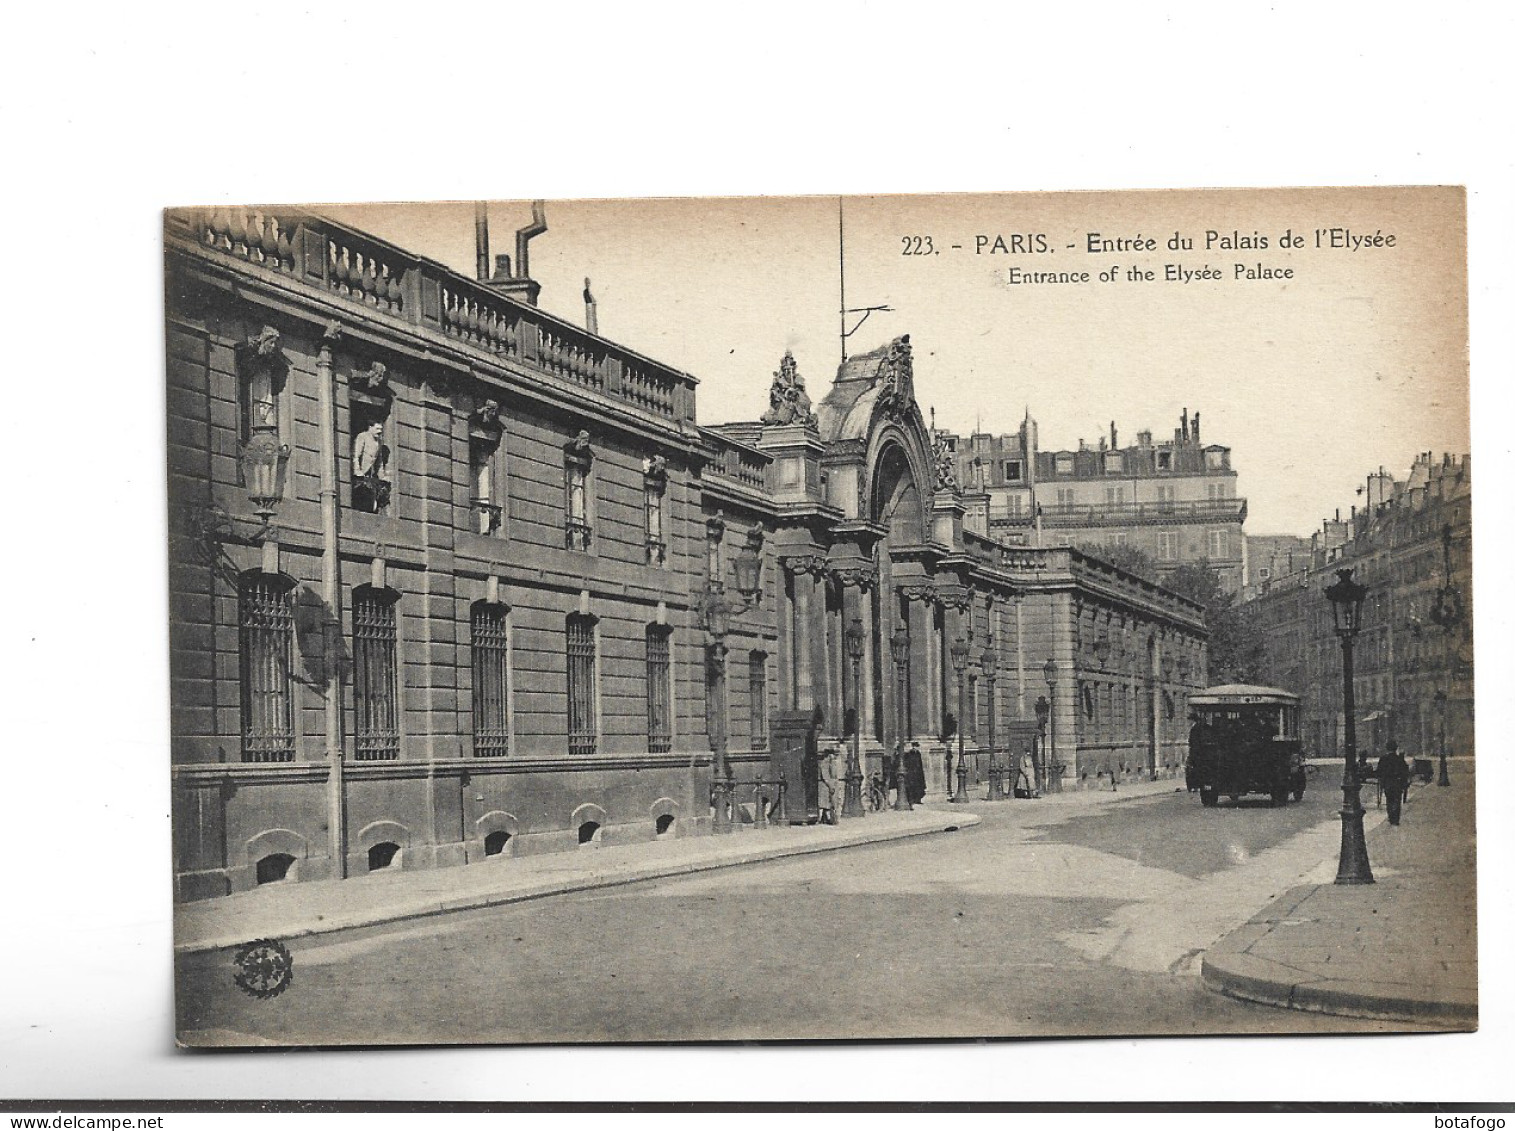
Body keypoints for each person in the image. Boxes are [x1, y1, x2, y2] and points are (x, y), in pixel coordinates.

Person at [1376, 741, 1411, 826]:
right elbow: (1405, 771)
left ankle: (1391, 818)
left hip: (1388, 783)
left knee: (1389, 800)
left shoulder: (1383, 759)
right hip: (1397, 783)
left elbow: (1379, 771)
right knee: (1397, 800)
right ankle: (1396, 819)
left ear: (1387, 748)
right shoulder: (1399, 759)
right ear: (1396, 748)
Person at [816, 745, 839, 825]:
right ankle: (823, 818)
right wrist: (830, 786)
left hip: (825, 784)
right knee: (824, 802)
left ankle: (827, 818)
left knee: (827, 803)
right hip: (824, 785)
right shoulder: (825, 763)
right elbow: (825, 776)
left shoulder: (826, 763)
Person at [904, 740, 927, 805]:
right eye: (915, 746)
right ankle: (912, 800)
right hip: (912, 773)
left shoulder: (918, 753)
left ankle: (918, 799)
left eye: (917, 746)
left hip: (918, 773)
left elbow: (920, 763)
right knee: (912, 787)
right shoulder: (909, 754)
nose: (916, 748)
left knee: (919, 786)